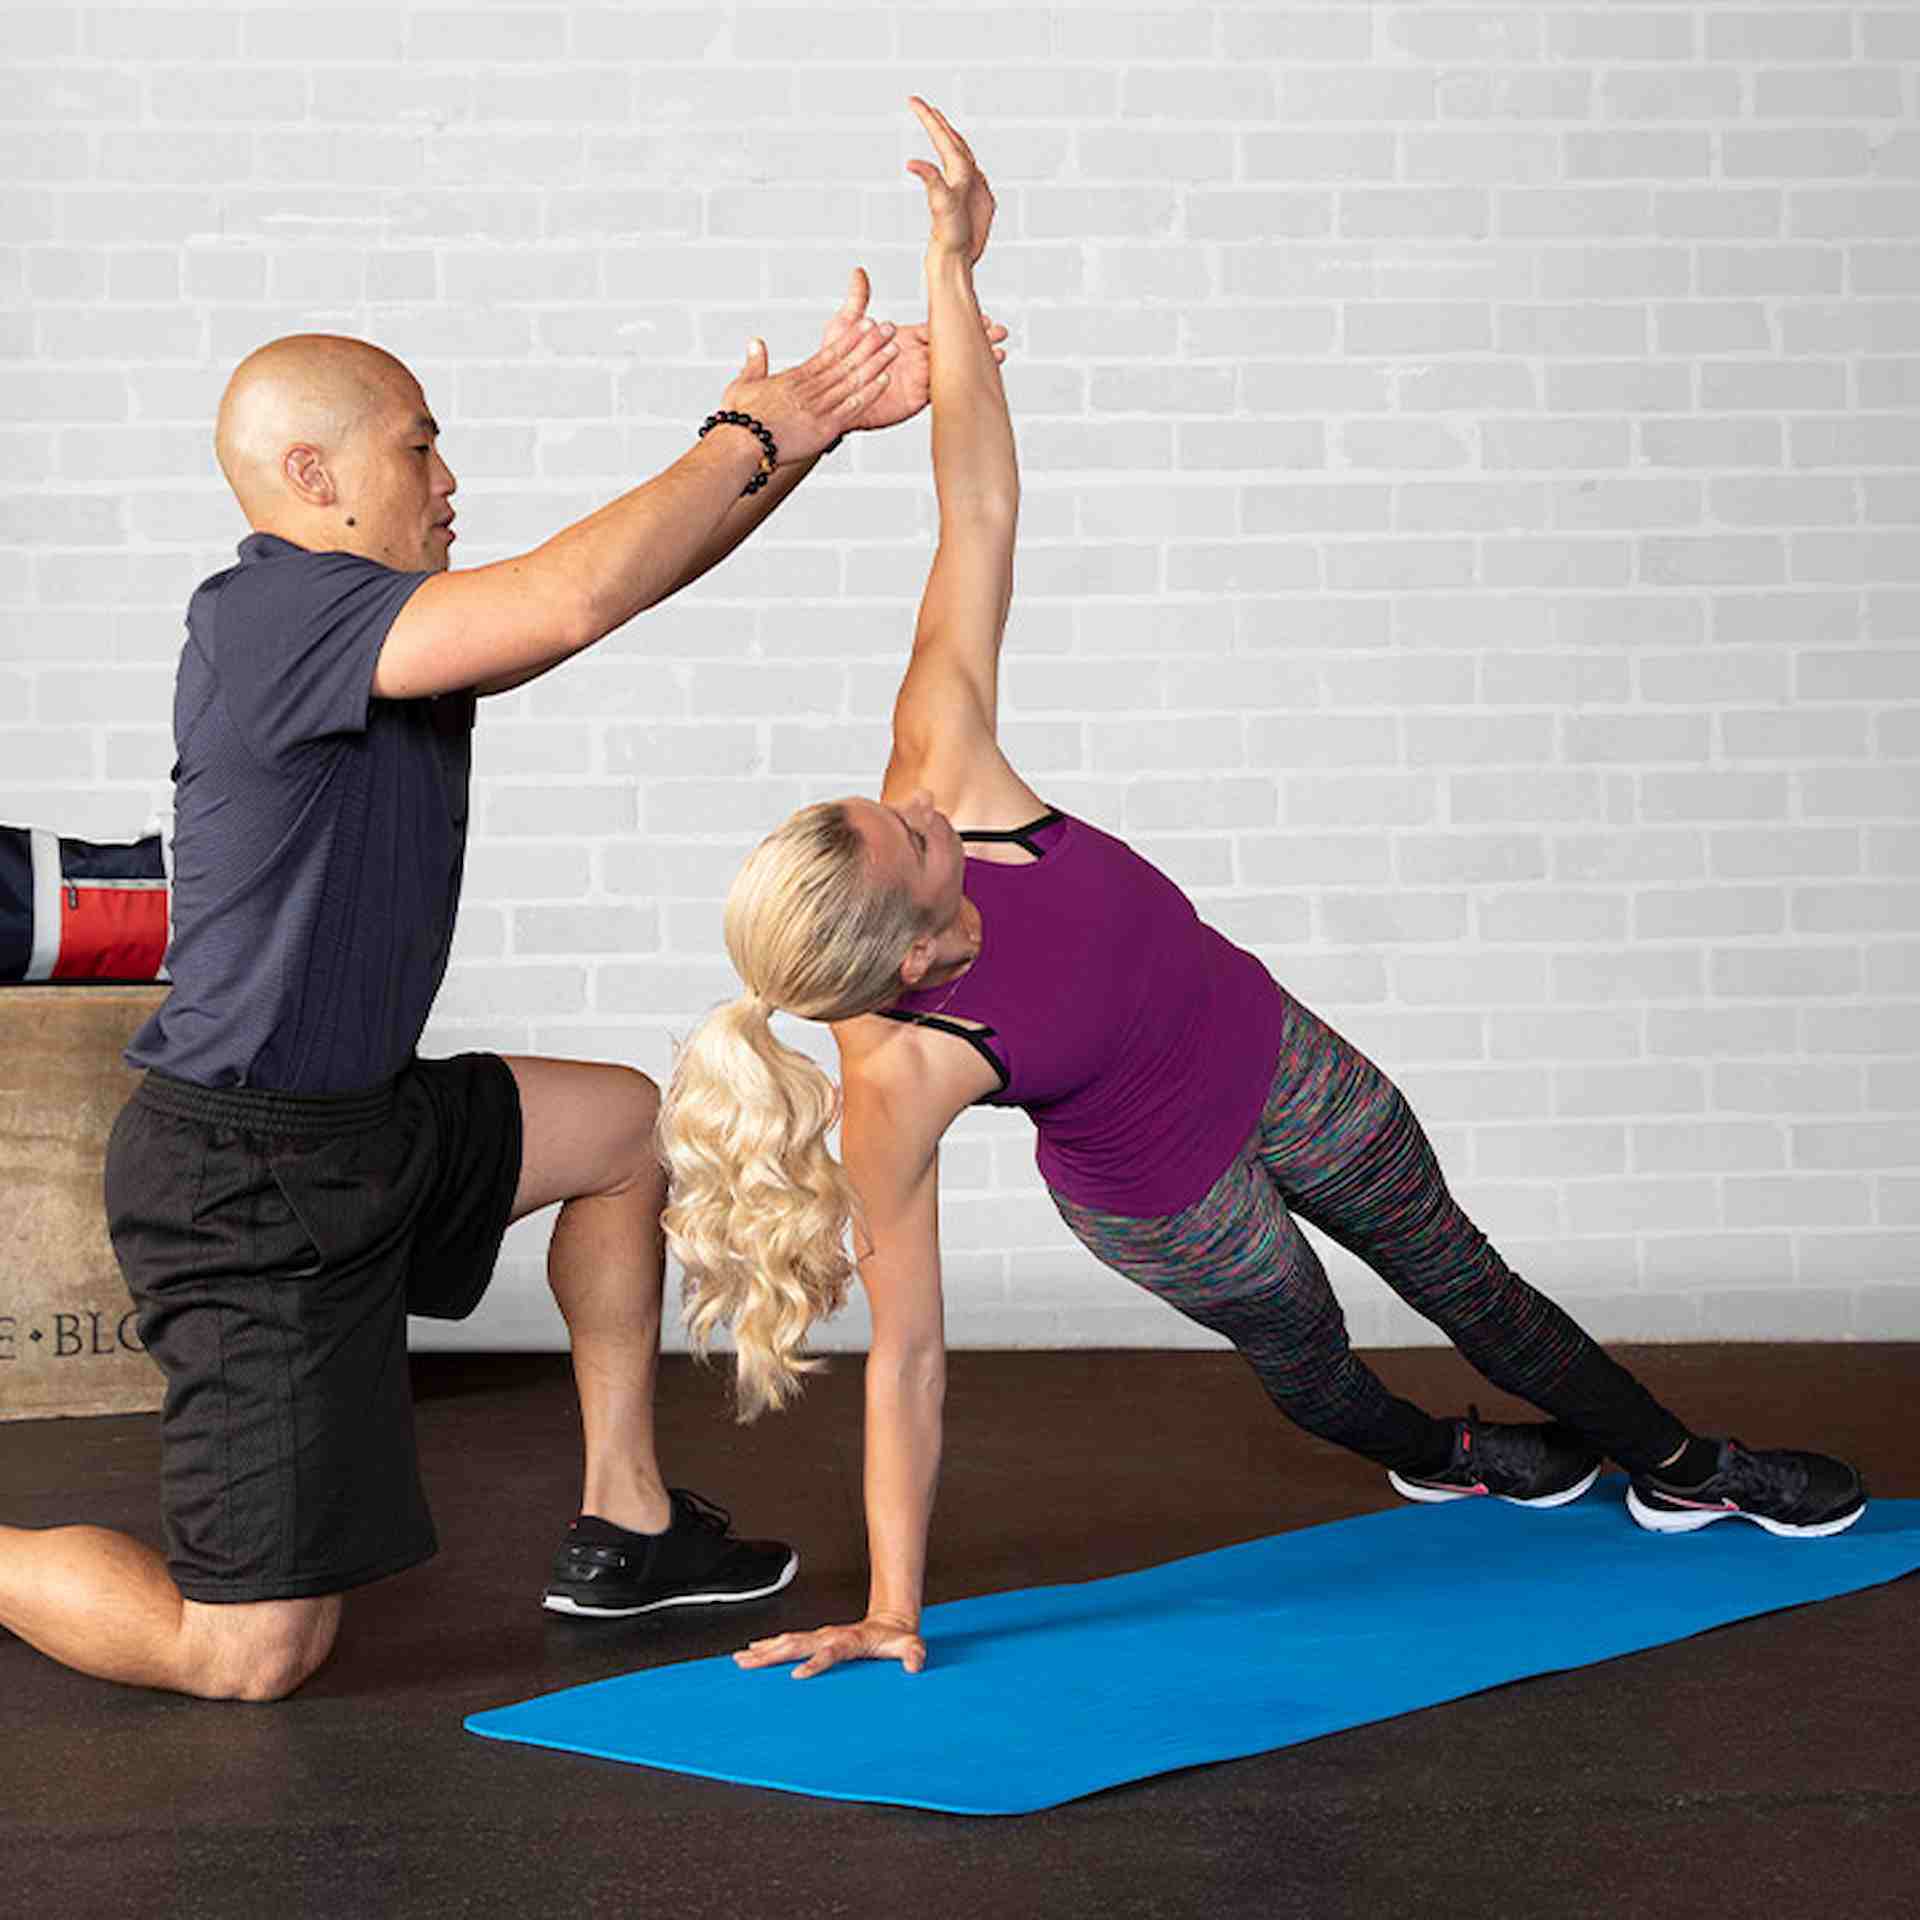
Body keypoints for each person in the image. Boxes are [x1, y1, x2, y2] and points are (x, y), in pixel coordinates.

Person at [658, 101, 1868, 1684]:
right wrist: (896, 1604)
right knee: (1313, 1363)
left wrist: (952, 270)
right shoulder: (896, 1075)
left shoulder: (938, 762)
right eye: (907, 840)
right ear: (903, 952)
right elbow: (910, 1358)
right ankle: (1439, 1449)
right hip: (1167, 1203)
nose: (911, 806)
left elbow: (979, 512)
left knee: (1467, 1272)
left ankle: (1688, 1470)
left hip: (1282, 1060)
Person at [0, 263, 1006, 1701]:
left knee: (622, 1130)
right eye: (417, 445)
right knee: (248, 1653)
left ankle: (630, 1521)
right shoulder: (272, 617)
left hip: (366, 1122)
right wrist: (758, 423)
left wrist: (816, 432)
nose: (448, 474)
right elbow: (578, 594)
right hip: (244, 1173)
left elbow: (615, 587)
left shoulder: (385, 627)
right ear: (311, 471)